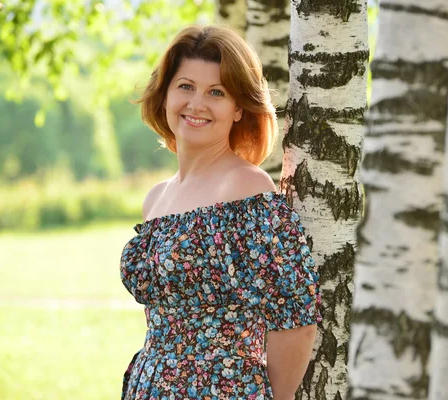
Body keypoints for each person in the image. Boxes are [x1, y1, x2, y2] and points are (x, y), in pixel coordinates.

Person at [120, 25, 322, 400]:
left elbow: (296, 320)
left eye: (216, 92)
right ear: (164, 94)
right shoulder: (156, 198)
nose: (196, 103)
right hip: (148, 387)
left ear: (238, 108)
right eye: (185, 86)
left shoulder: (247, 190)